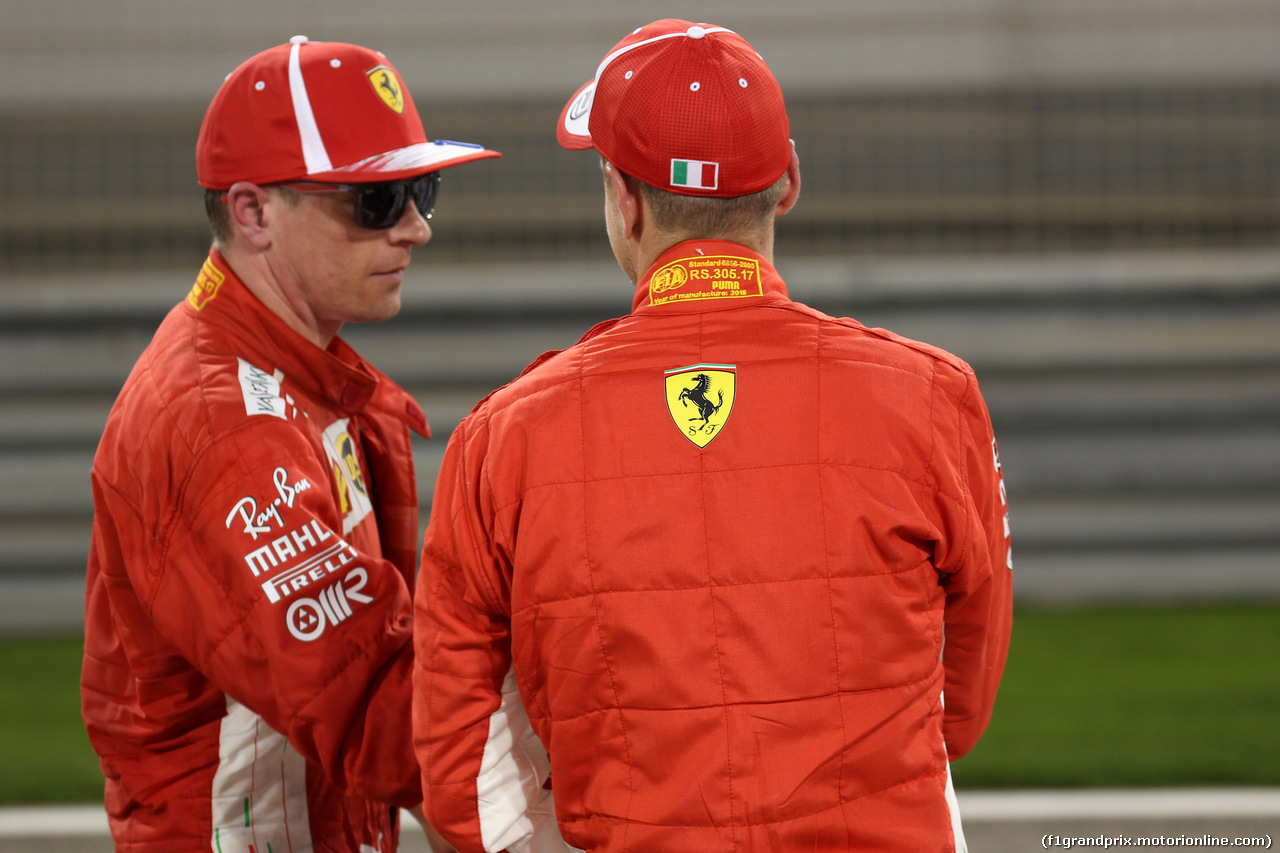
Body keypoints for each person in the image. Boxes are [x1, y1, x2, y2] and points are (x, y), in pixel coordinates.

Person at [411, 19, 1012, 853]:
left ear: (624, 200)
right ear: (790, 180)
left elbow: (460, 775)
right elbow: (962, 703)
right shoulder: (933, 396)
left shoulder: (502, 436)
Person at [80, 35, 498, 852]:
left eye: (423, 189)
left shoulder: (299, 378)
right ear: (253, 211)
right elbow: (374, 701)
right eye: (375, 201)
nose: (415, 228)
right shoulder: (223, 427)